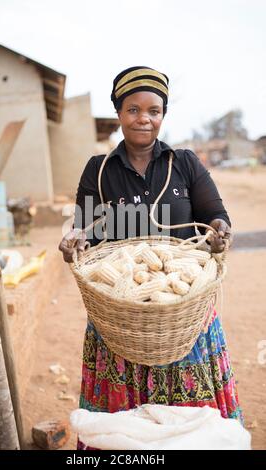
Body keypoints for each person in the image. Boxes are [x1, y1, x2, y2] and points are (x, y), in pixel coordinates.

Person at [59, 66, 243, 449]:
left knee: (189, 426)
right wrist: (75, 239)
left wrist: (219, 232)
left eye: (153, 111)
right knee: (127, 434)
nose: (144, 118)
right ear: (119, 113)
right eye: (133, 109)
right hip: (121, 314)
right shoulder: (100, 169)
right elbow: (85, 228)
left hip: (182, 310)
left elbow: (215, 214)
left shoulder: (185, 163)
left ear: (163, 115)